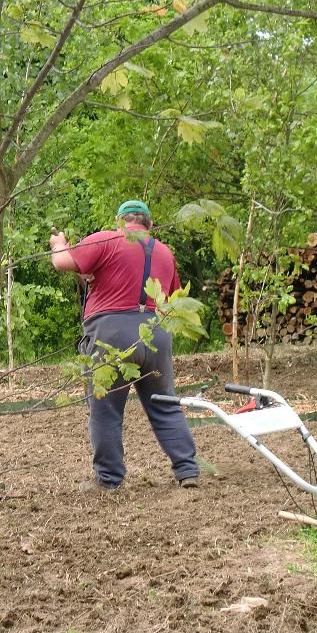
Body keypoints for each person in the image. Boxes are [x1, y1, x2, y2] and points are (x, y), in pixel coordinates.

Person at [49, 200, 200, 491]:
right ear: (149, 225)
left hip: (111, 333)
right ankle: (187, 470)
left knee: (105, 408)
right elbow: (169, 297)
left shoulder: (106, 238)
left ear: (120, 222)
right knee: (165, 404)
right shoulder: (165, 252)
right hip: (155, 333)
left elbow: (61, 262)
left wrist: (59, 243)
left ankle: (108, 479)